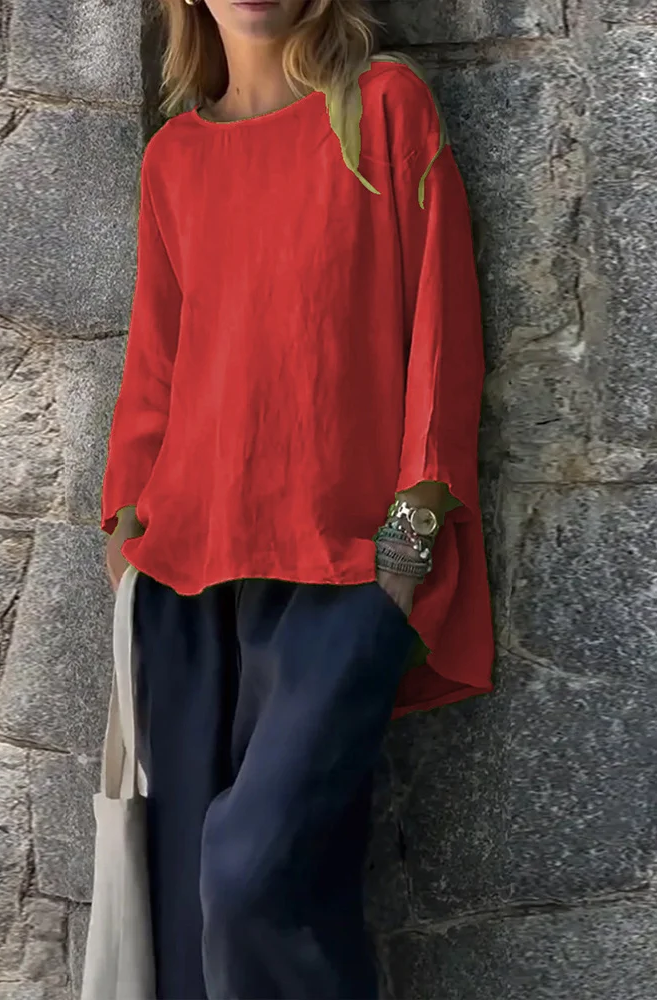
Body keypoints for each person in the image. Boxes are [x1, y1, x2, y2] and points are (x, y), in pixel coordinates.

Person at [100, 0, 494, 996]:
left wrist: (407, 548)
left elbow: (442, 338)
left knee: (249, 879)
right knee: (198, 919)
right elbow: (156, 364)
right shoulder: (174, 159)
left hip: (349, 574)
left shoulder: (386, 107)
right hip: (183, 583)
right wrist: (124, 528)